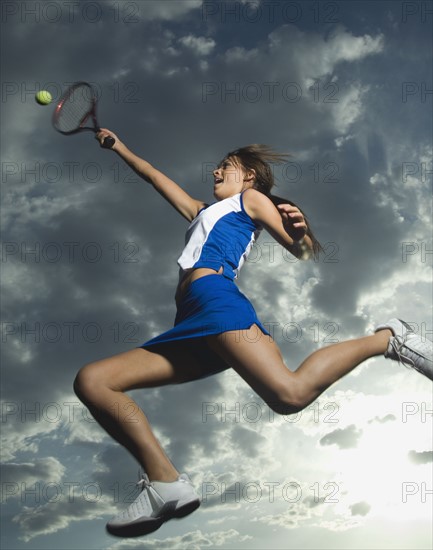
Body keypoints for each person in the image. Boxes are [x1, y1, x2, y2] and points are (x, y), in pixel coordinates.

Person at [73, 129, 432, 538]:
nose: (215, 171)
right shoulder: (200, 211)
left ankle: (389, 338)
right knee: (94, 381)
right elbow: (154, 175)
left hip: (216, 300)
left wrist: (300, 232)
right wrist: (118, 146)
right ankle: (164, 482)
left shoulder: (251, 200)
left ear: (248, 176)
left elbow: (301, 250)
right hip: (190, 321)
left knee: (289, 395)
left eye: (225, 166)